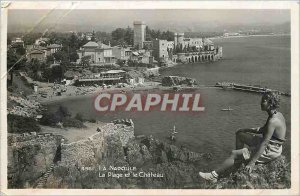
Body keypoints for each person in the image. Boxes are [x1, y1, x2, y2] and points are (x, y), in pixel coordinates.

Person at [199, 91, 286, 183]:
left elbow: (264, 143)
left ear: (271, 103)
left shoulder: (273, 121)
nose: (260, 103)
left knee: (234, 153)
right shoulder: (276, 114)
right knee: (240, 134)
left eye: (263, 101)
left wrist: (252, 162)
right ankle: (239, 160)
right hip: (271, 144)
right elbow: (263, 130)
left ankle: (213, 176)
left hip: (271, 150)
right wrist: (246, 129)